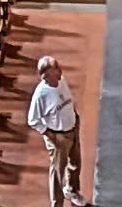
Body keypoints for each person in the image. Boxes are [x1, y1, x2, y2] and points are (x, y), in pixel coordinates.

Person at [28, 55, 84, 207]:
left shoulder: (61, 80)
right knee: (58, 173)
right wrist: (51, 136)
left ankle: (72, 190)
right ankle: (57, 204)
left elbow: (67, 99)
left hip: (72, 129)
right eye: (56, 69)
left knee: (75, 163)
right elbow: (33, 120)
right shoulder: (41, 95)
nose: (60, 71)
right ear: (46, 76)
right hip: (58, 136)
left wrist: (75, 118)